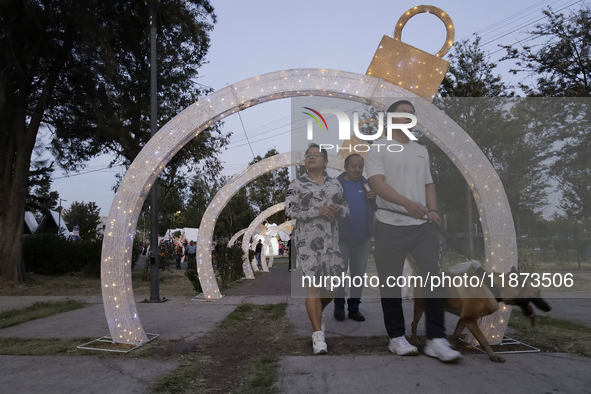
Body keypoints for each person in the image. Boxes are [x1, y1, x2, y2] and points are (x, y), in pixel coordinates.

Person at [365, 100, 461, 362]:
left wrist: (433, 210)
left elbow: (429, 184)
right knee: (391, 284)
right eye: (402, 113)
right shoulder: (378, 147)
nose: (407, 117)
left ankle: (436, 340)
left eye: (411, 114)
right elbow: (377, 183)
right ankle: (396, 337)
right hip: (389, 225)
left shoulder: (421, 150)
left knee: (433, 279)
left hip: (423, 228)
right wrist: (407, 204)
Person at [286, 143, 349, 355]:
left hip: (332, 242)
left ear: (325, 161)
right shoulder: (297, 183)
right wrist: (317, 210)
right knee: (313, 286)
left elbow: (347, 209)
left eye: (316, 155)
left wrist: (338, 208)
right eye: (308, 155)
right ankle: (317, 334)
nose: (311, 158)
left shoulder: (335, 185)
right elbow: (289, 209)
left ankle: (316, 313)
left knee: (333, 287)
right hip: (308, 244)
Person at [333, 153, 377, 322]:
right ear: (345, 167)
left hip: (363, 238)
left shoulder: (367, 184)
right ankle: (339, 305)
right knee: (339, 274)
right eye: (354, 166)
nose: (357, 169)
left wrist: (374, 199)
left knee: (358, 275)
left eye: (360, 166)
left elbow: (375, 207)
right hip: (341, 238)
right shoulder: (336, 184)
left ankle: (354, 308)